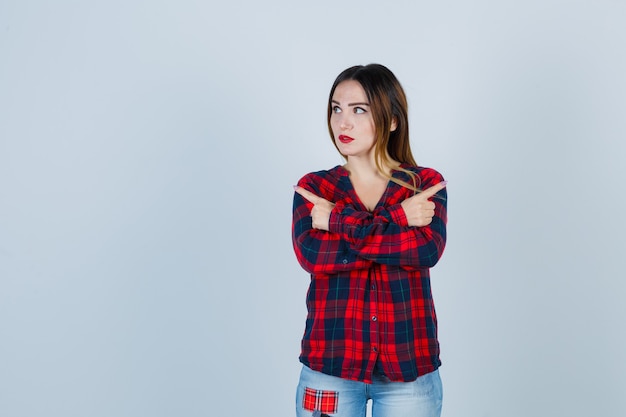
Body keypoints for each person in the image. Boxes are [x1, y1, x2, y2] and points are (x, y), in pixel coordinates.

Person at [292, 63, 448, 417]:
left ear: (392, 119)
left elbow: (425, 250)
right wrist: (397, 220)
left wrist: (337, 220)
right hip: (330, 368)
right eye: (336, 109)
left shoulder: (424, 184)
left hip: (409, 372)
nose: (342, 123)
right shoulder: (314, 188)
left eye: (358, 110)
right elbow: (314, 255)